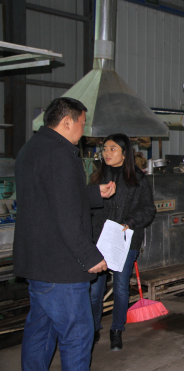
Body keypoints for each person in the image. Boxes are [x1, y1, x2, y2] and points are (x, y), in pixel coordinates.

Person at [14, 97, 115, 370]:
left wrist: (93, 193)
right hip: (61, 268)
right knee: (78, 335)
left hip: (38, 264)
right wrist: (90, 256)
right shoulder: (60, 154)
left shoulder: (32, 148)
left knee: (40, 331)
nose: (84, 130)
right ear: (67, 122)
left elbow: (50, 199)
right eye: (82, 123)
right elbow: (67, 216)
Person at [89, 133, 157, 351]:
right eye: (105, 149)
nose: (107, 153)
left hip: (125, 240)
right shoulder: (97, 178)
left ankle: (117, 329)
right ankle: (93, 328)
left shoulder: (137, 179)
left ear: (125, 153)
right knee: (95, 290)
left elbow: (148, 209)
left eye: (113, 149)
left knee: (120, 287)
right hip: (99, 240)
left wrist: (131, 221)